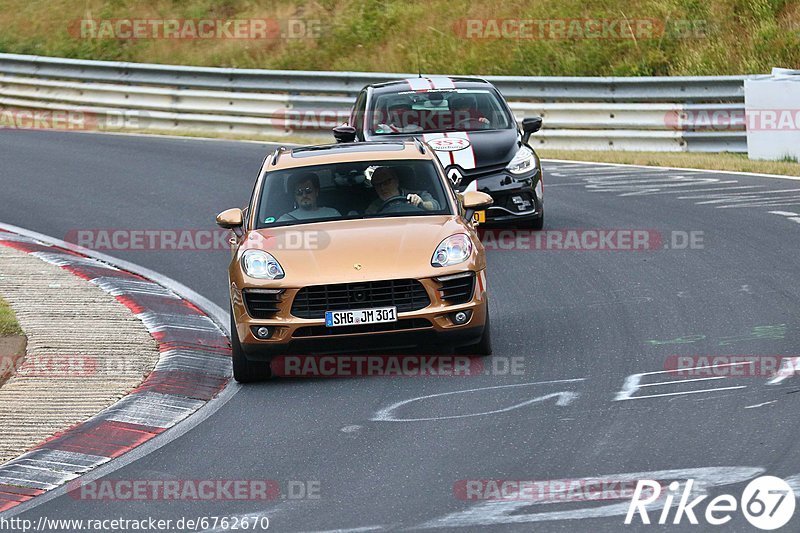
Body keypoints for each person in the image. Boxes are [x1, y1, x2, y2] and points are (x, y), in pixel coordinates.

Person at [365, 167, 440, 214]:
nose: (382, 188)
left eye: (386, 182)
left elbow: (436, 206)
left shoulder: (419, 194)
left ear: (396, 181)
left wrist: (422, 203)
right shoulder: (375, 206)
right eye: (377, 184)